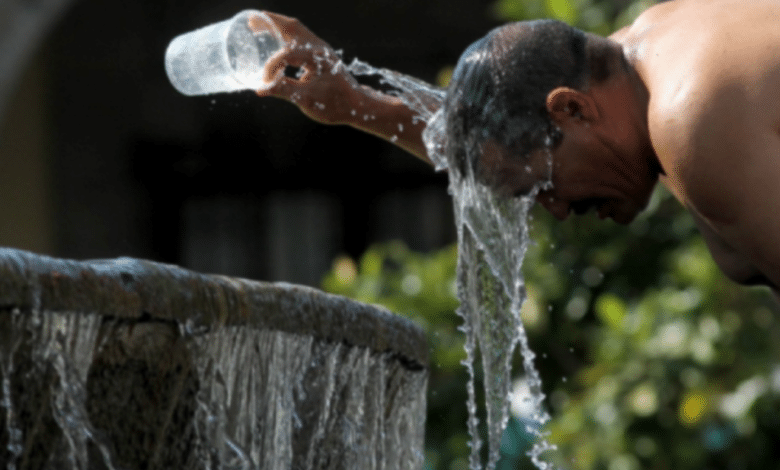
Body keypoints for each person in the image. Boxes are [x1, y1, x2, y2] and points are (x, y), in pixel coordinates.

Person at [256, 0, 780, 291]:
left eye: (543, 186)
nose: (553, 208)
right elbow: (497, 138)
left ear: (572, 109)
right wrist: (355, 104)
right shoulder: (642, 56)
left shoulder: (693, 120)